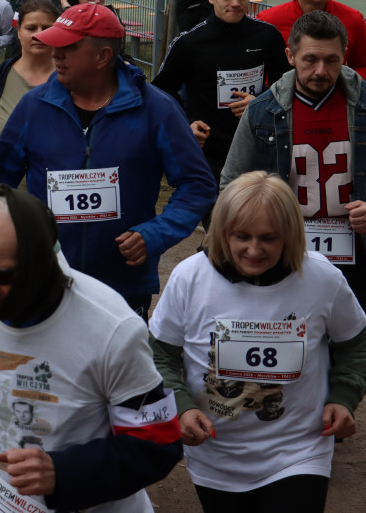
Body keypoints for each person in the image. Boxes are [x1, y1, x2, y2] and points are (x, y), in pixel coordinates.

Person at [0, 184, 183, 512]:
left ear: (40, 261)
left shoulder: (112, 328)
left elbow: (158, 443)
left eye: (1, 275)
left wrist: (63, 472)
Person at [149, 171, 366, 511]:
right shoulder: (189, 277)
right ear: (222, 231)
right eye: (242, 236)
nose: (253, 249)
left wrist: (344, 395)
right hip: (216, 457)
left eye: (268, 238)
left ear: (290, 235)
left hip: (299, 451)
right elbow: (158, 354)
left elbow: (356, 343)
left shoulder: (322, 278)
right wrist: (182, 407)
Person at [0, 3, 216, 319]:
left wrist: (156, 234)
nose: (56, 54)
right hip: (46, 280)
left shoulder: (156, 110)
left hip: (123, 287)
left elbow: (197, 184)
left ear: (103, 56)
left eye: (69, 47)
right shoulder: (33, 107)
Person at [220, 10, 366, 305]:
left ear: (345, 56)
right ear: (290, 55)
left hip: (357, 260)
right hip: (285, 258)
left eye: (331, 60)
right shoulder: (260, 111)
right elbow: (231, 186)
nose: (321, 71)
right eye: (310, 60)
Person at [153, 0, 288, 189]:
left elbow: (286, 86)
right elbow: (159, 92)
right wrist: (186, 124)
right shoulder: (189, 43)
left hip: (257, 150)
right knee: (219, 223)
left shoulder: (267, 37)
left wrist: (260, 103)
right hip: (209, 155)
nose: (236, 3)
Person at [0, 0, 58, 171]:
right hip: (3, 193)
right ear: (18, 31)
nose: (38, 34)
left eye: (46, 28)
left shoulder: (73, 81)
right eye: (31, 28)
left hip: (59, 194)